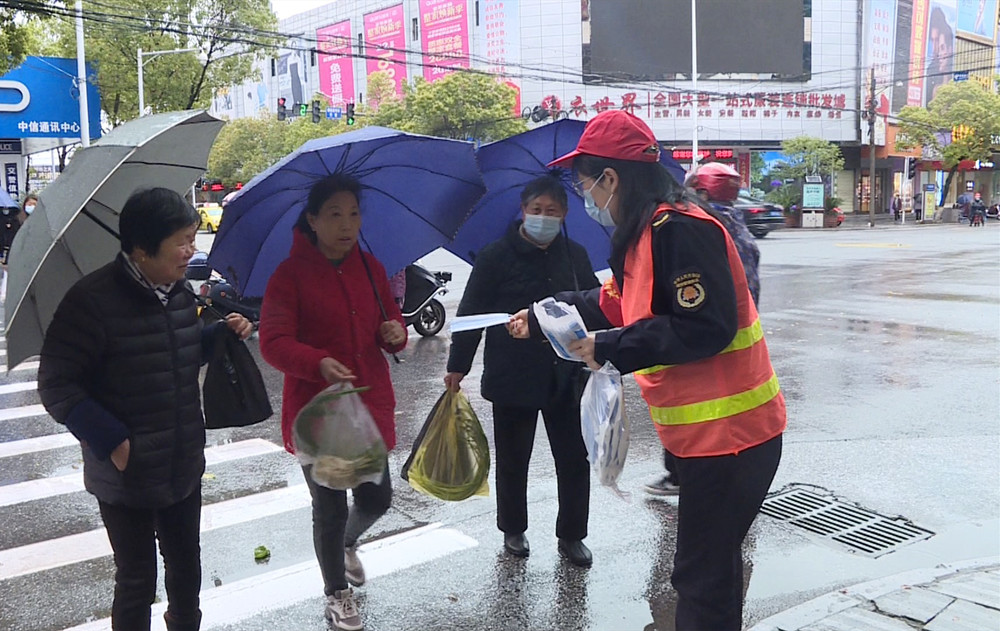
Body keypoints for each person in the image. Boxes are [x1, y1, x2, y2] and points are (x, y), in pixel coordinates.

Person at [509, 110, 786, 630]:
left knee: (700, 583)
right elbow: (616, 302)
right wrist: (550, 309)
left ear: (610, 179)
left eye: (584, 182)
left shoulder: (678, 228)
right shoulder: (643, 235)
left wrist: (607, 347)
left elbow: (706, 326)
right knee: (712, 574)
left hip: (731, 438)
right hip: (707, 441)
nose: (583, 196)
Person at [37, 187, 253, 631]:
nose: (192, 250)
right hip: (125, 473)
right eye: (182, 242)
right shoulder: (90, 302)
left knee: (186, 572)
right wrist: (113, 442)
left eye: (193, 238)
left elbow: (176, 352)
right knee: (137, 579)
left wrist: (220, 334)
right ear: (141, 250)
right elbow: (57, 385)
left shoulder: (178, 291)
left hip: (181, 460)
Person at [258, 173, 407, 631]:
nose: (347, 224)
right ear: (313, 220)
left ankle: (345, 543)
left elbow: (391, 321)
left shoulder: (370, 266)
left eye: (354, 214)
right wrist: (317, 362)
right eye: (335, 214)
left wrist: (395, 334)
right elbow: (273, 342)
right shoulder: (290, 275)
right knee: (328, 505)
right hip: (317, 412)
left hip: (367, 404)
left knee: (377, 496)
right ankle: (337, 595)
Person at [444, 174, 600, 567]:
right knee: (514, 459)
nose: (543, 217)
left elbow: (597, 306)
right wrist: (457, 367)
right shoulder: (496, 256)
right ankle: (513, 528)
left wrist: (602, 349)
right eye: (536, 210)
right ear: (523, 211)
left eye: (551, 211)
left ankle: (572, 535)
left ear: (564, 214)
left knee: (573, 458)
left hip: (566, 375)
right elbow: (470, 314)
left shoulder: (575, 255)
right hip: (512, 373)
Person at [644, 163, 762, 496]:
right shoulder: (737, 225)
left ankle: (682, 476)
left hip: (709, 343)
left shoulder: (696, 227)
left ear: (703, 192)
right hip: (739, 338)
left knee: (696, 417)